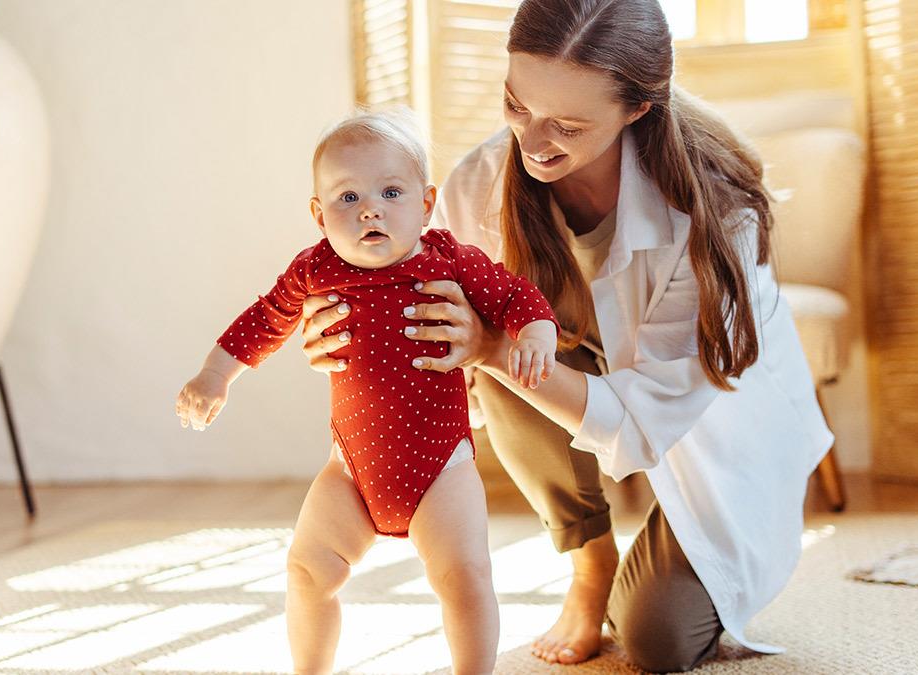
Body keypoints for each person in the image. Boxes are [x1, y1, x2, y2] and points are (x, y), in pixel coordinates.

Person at [296, 1, 834, 672]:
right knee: (496, 337)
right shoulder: (479, 184)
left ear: (638, 109)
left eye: (568, 125)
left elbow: (645, 418)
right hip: (578, 364)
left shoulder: (712, 215)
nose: (532, 140)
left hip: (713, 426)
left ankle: (663, 567)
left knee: (658, 640)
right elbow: (428, 330)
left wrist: (491, 348)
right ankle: (589, 559)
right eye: (517, 105)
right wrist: (345, 335)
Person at [174, 109, 559, 674]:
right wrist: (214, 375)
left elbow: (513, 294)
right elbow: (266, 318)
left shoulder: (445, 258)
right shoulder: (315, 269)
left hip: (441, 471)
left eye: (391, 192)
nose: (370, 209)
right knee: (306, 571)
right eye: (347, 198)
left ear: (425, 205)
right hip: (351, 472)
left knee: (465, 575)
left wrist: (536, 331)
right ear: (319, 214)